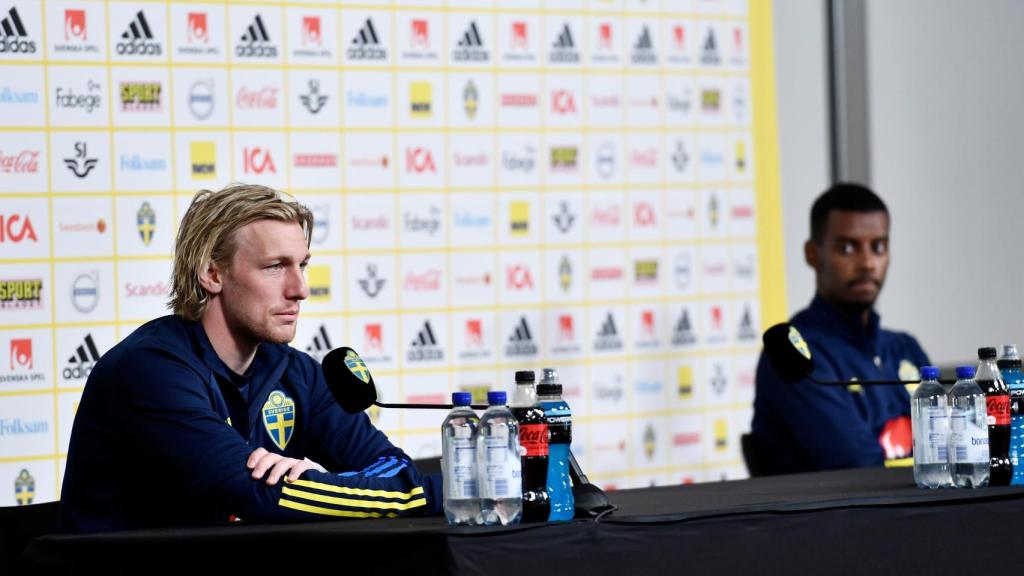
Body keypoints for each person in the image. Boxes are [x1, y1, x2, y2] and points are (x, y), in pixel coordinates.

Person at [61, 184, 441, 533]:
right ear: (212, 273)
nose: (301, 289)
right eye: (275, 267)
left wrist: (317, 481)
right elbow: (263, 497)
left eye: (302, 265)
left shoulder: (296, 371)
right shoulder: (150, 370)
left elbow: (393, 466)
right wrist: (430, 494)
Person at [752, 183, 930, 474]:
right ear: (813, 254)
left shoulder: (905, 348)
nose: (867, 263)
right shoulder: (795, 356)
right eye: (848, 248)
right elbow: (860, 468)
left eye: (878, 247)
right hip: (840, 506)